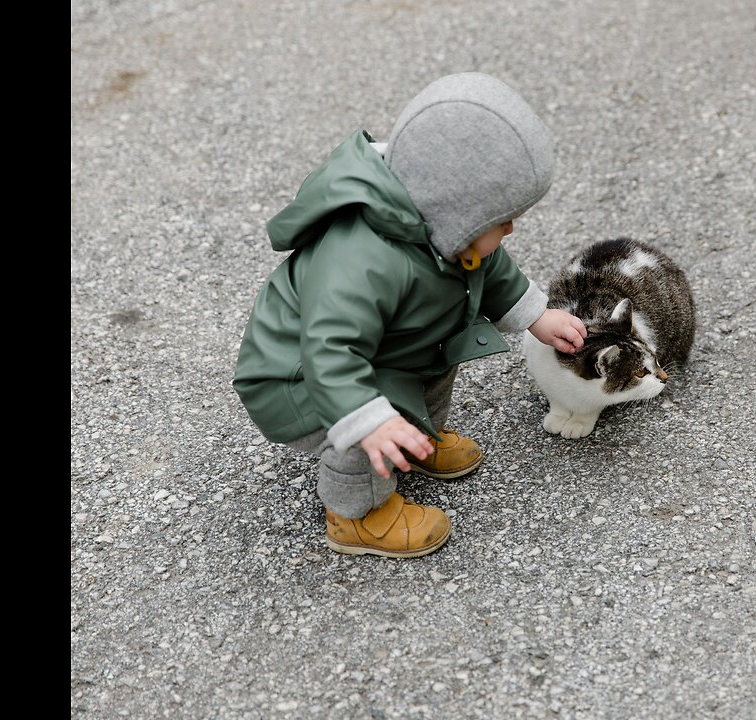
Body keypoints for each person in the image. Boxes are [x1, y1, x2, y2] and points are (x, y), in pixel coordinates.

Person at [232, 73, 587, 558]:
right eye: (499, 218)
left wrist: (535, 315)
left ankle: (417, 439)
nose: (510, 227)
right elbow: (329, 350)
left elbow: (490, 266)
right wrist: (370, 421)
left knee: (437, 364)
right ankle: (356, 516)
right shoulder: (361, 259)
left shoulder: (446, 229)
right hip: (301, 377)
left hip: (388, 349)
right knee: (367, 426)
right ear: (454, 210)